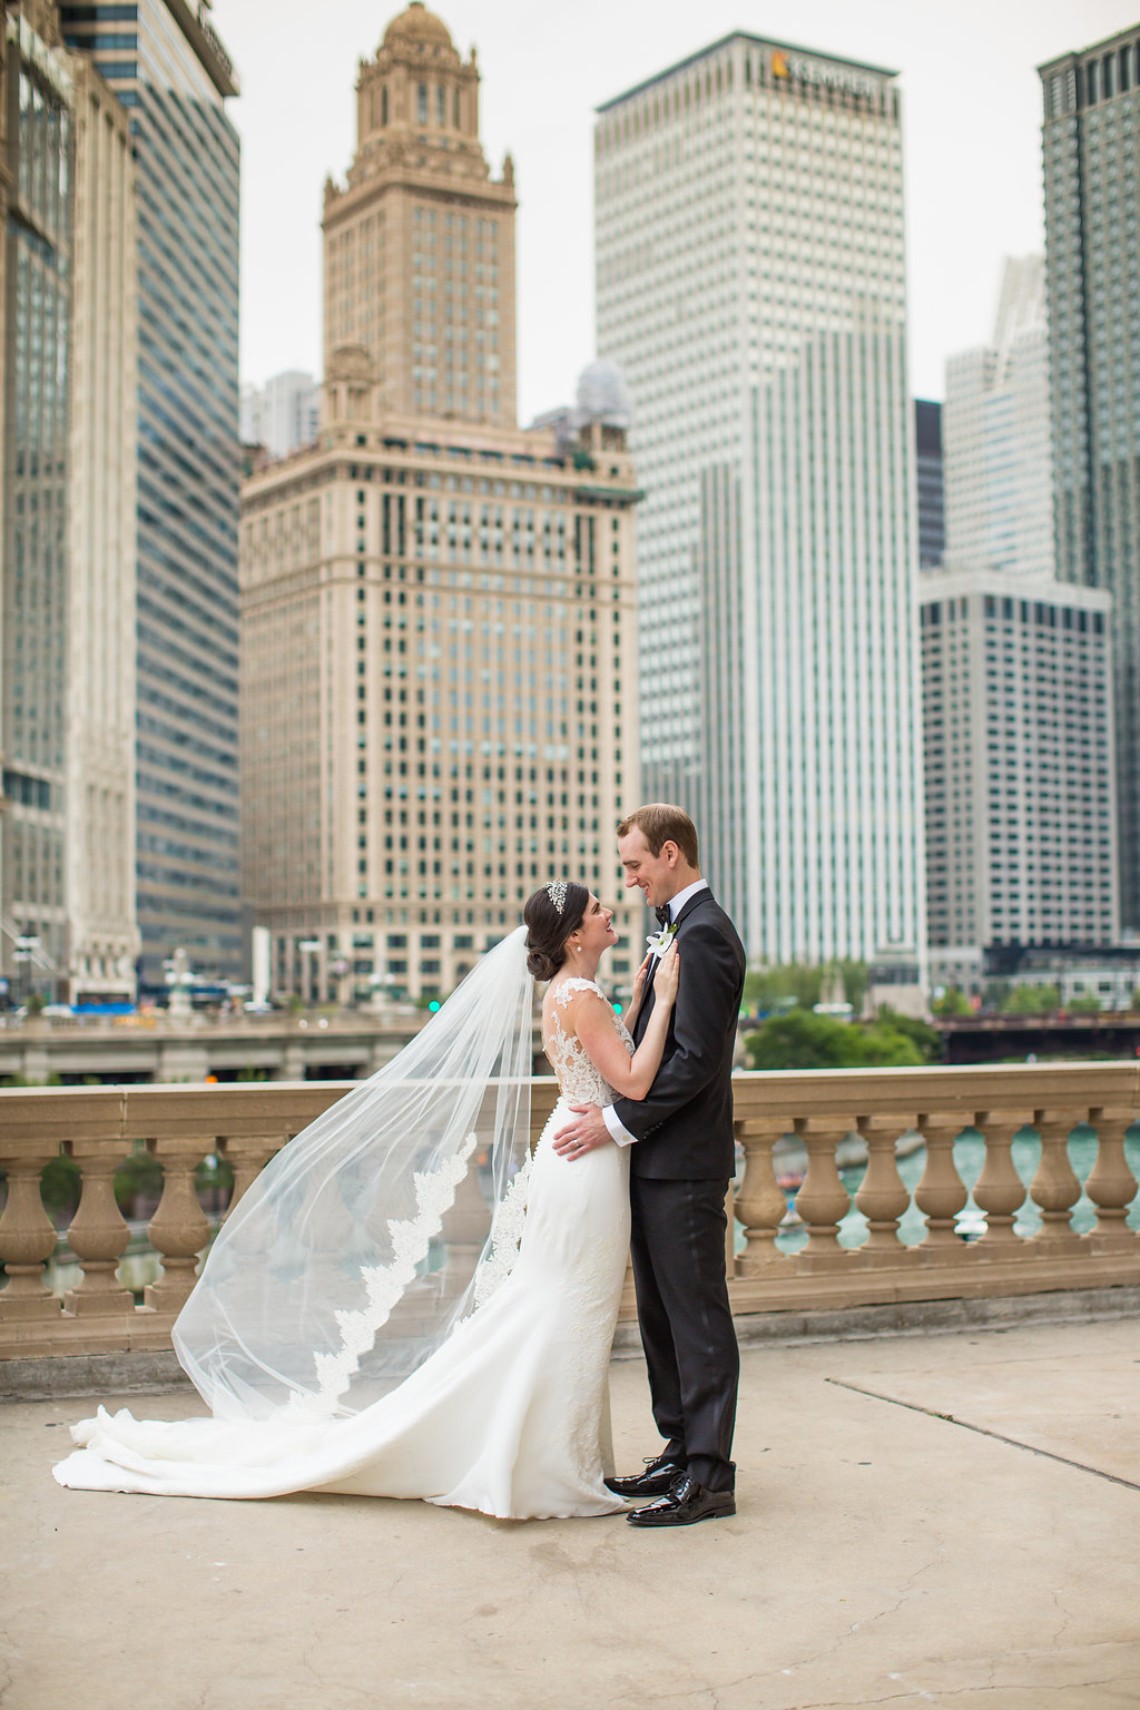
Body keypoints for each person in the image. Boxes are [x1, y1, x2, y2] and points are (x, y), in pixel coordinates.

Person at [52, 881, 679, 1522]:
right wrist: (661, 1002)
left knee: (560, 1305)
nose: (608, 911)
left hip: (577, 1152)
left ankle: (554, 1457)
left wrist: (633, 1007)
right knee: (564, 1306)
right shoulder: (582, 998)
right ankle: (549, 1464)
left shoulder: (570, 993)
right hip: (586, 1164)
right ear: (573, 936)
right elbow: (632, 1082)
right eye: (596, 909)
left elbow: (606, 1064)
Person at [553, 804, 746, 1528]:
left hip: (686, 1165)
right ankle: (679, 1450)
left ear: (670, 854)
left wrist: (613, 1124)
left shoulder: (707, 935)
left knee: (697, 1320)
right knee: (662, 1319)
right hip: (652, 1161)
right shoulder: (677, 931)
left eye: (634, 865)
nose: (629, 880)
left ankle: (710, 1477)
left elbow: (695, 1062)